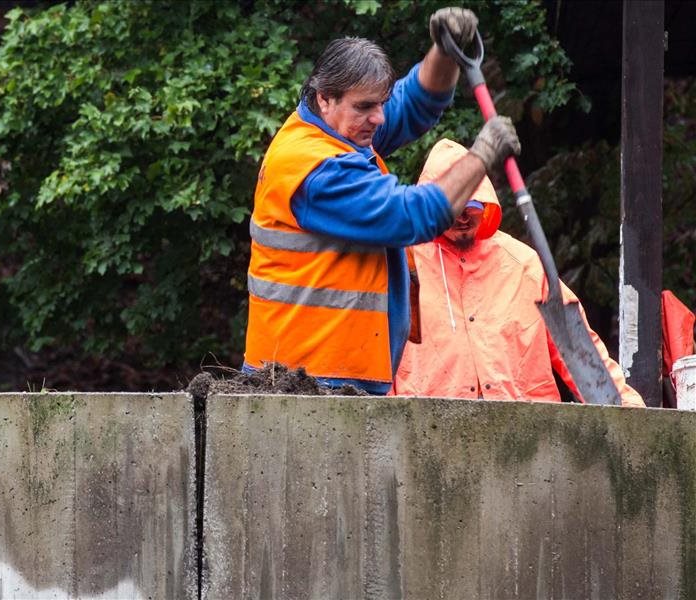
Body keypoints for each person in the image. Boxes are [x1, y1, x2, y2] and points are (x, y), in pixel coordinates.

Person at [244, 7, 522, 394]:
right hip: (304, 385)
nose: (378, 118)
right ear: (325, 98)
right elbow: (411, 216)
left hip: (330, 377)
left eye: (380, 103)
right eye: (366, 107)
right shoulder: (315, 169)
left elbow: (414, 102)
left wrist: (444, 52)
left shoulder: (341, 128)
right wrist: (481, 157)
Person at [392, 138, 644, 406]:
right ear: (434, 206)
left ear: (486, 202)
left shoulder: (524, 265)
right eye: (453, 208)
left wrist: (627, 413)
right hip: (426, 433)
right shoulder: (403, 264)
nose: (463, 217)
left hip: (526, 436)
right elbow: (374, 352)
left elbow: (579, 350)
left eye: (473, 206)